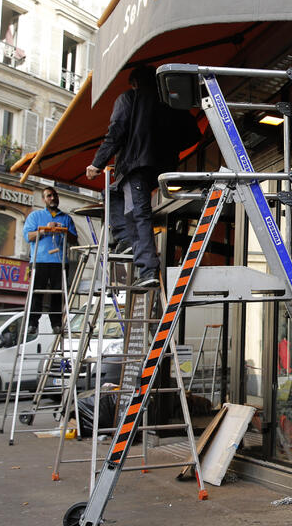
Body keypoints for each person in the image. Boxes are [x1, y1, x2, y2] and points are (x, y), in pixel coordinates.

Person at [85, 65, 196, 287]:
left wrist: (97, 163)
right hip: (161, 166)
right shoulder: (169, 103)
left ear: (134, 83)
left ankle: (147, 270)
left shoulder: (129, 98)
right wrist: (167, 149)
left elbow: (116, 131)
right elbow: (192, 133)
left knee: (138, 213)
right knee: (114, 192)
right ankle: (125, 239)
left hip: (137, 164)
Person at [22, 186, 78, 335]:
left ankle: (56, 324)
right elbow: (28, 237)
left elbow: (74, 239)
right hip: (39, 260)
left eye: (54, 195)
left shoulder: (66, 218)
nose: (52, 198)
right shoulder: (35, 216)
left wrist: (63, 230)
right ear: (43, 199)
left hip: (59, 262)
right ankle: (32, 323)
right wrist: (44, 230)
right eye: (49, 196)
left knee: (57, 293)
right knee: (36, 292)